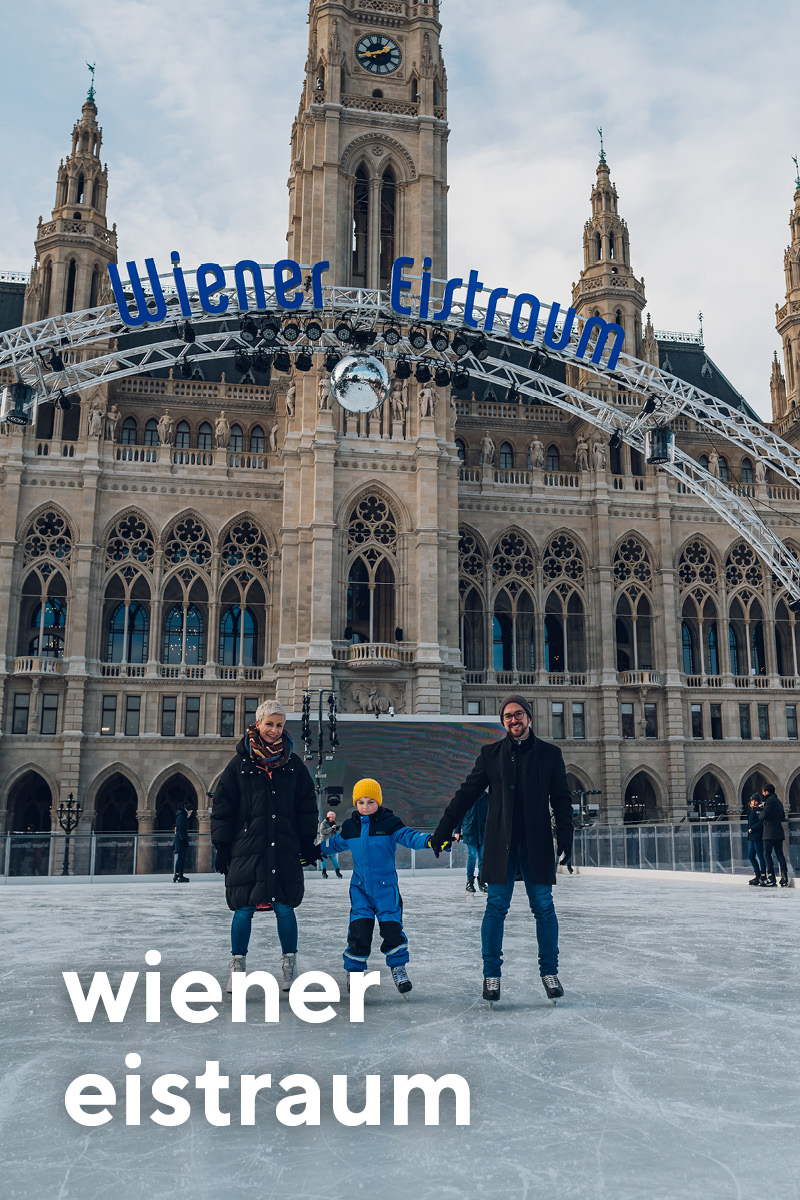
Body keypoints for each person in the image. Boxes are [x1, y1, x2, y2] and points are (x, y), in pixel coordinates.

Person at [430, 693, 573, 1004]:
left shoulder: (550, 754)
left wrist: (566, 838)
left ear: (529, 717)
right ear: (503, 722)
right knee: (495, 908)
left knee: (544, 908)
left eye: (518, 714)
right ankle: (491, 975)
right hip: (500, 846)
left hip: (535, 845)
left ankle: (549, 972)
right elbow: (465, 795)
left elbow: (562, 800)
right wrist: (443, 830)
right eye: (508, 716)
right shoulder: (491, 754)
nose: (514, 720)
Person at [211, 700, 318, 992]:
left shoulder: (293, 765)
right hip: (248, 847)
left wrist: (307, 841)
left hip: (283, 845)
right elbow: (223, 806)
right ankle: (237, 965)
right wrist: (221, 845)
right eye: (269, 723)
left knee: (285, 906)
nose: (274, 730)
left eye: (279, 725)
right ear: (257, 724)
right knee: (243, 908)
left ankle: (289, 964)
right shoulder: (240, 764)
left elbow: (307, 805)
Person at [318, 778, 434, 995]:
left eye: (370, 802)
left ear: (378, 802)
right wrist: (312, 853)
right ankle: (354, 973)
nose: (365, 806)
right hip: (360, 890)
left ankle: (398, 968)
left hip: (386, 890)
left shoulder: (390, 823)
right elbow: (332, 845)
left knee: (392, 931)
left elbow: (410, 837)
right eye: (361, 802)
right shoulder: (351, 827)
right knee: (359, 933)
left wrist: (430, 840)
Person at [455, 790, 489, 895]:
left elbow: (491, 814)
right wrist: (457, 831)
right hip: (470, 830)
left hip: (482, 832)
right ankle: (469, 882)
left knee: (482, 857)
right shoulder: (467, 796)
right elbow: (459, 814)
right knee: (473, 855)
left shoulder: (487, 797)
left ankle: (482, 881)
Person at [759, 783, 788, 887]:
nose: (762, 793)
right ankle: (784, 876)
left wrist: (760, 812)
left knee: (767, 854)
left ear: (767, 792)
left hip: (769, 832)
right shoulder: (778, 801)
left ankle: (771, 877)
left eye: (763, 792)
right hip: (778, 831)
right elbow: (783, 815)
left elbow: (763, 815)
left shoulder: (769, 801)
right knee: (779, 854)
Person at [745, 793, 766, 886]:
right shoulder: (752, 811)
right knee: (750, 855)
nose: (753, 802)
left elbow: (761, 823)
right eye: (752, 801)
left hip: (757, 836)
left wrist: (752, 828)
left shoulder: (760, 811)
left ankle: (763, 874)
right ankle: (757, 873)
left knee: (760, 856)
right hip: (752, 837)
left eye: (755, 801)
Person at [173, 802, 195, 883]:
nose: (191, 813)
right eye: (190, 811)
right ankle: (178, 875)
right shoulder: (182, 817)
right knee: (181, 857)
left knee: (181, 857)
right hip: (181, 840)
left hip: (180, 839)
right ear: (188, 810)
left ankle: (179, 874)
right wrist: (184, 840)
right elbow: (181, 829)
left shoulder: (182, 816)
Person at [318, 810, 343, 879]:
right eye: (332, 817)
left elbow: (333, 834)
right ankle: (324, 872)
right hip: (324, 843)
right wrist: (331, 828)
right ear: (328, 817)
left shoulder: (333, 823)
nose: (333, 819)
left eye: (334, 817)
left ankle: (338, 872)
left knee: (334, 859)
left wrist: (336, 829)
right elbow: (323, 832)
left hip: (331, 844)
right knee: (323, 859)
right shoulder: (323, 824)